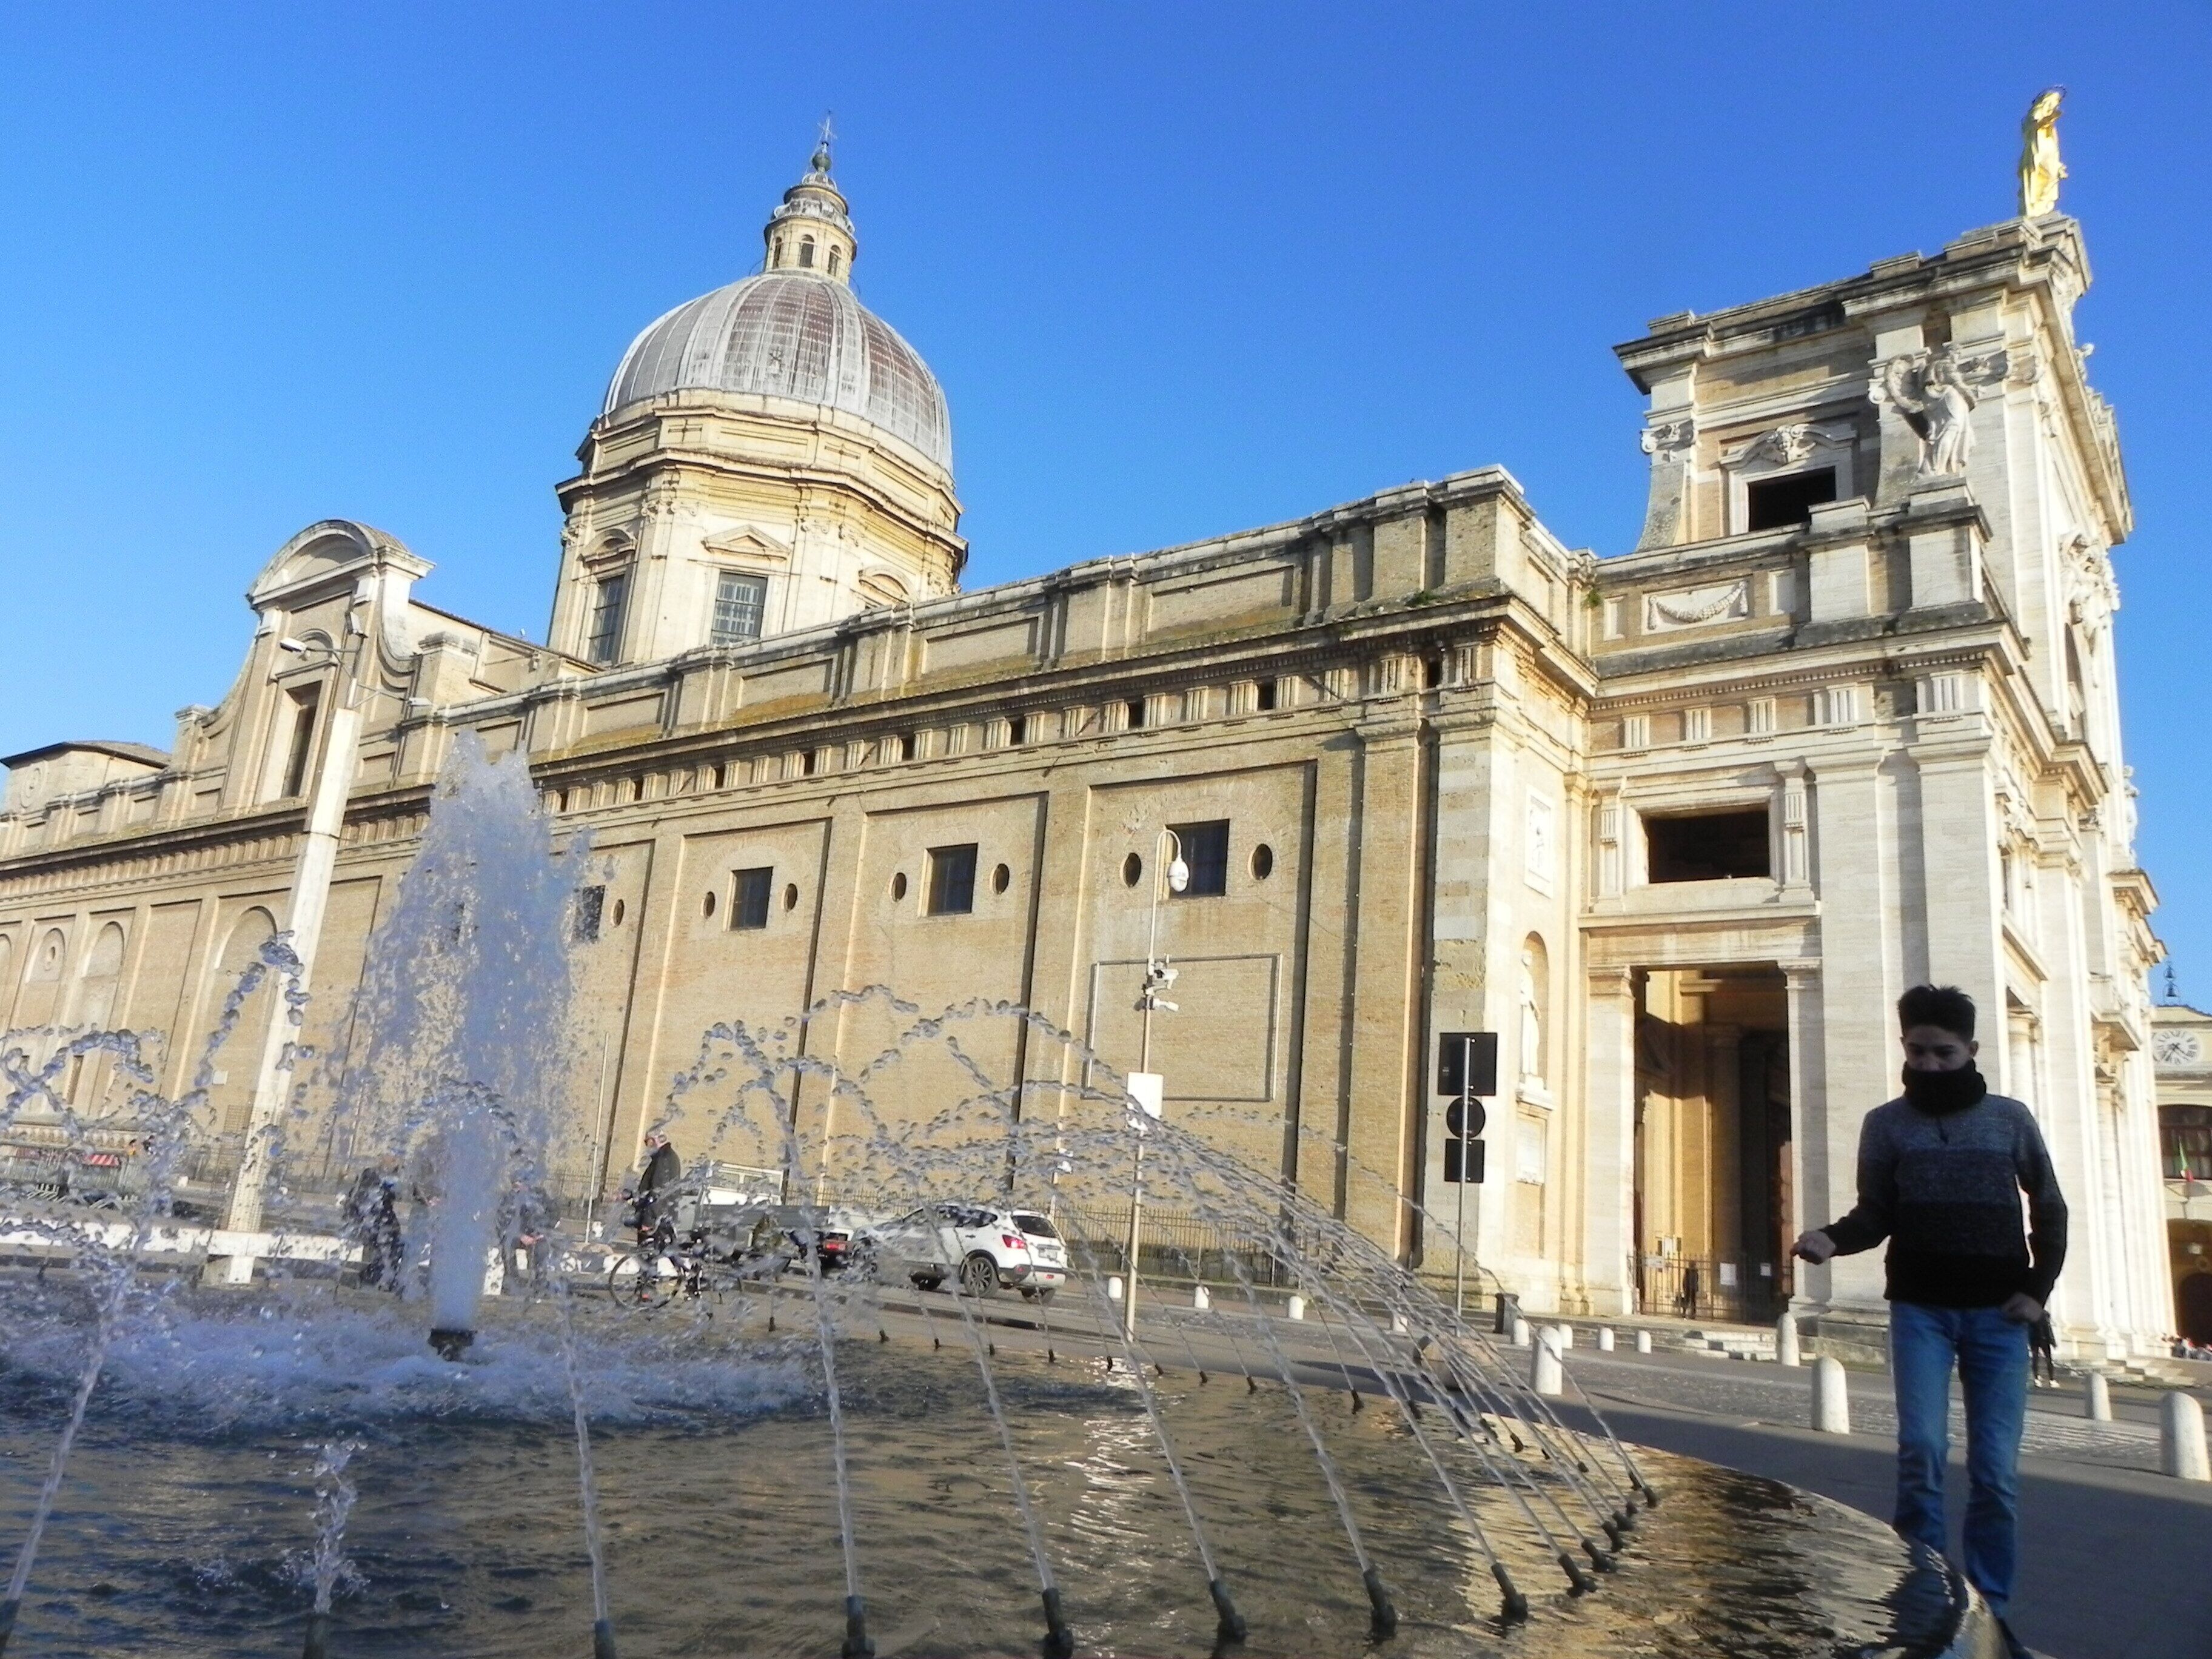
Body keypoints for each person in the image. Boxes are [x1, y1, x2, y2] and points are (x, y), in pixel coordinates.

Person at [1794, 985, 2065, 1653]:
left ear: (1971, 1049)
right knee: (1921, 1452)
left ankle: (1992, 1611)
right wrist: (1832, 1239)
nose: (1930, 1064)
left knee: (1995, 1472)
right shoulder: (1886, 1123)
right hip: (1920, 1308)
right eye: (1918, 1052)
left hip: (2000, 1314)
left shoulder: (2009, 1119)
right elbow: (1876, 1212)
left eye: (1944, 1053)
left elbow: (2050, 1207)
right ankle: (1925, 1603)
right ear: (1904, 1047)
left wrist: (2038, 1290)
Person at [341, 1155, 403, 1291]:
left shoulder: (391, 1177)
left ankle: (380, 1279)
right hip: (376, 1224)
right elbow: (362, 1200)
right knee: (389, 1251)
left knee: (393, 1251)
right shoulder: (372, 1175)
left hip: (384, 1223)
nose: (397, 1162)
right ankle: (369, 1278)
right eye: (393, 1159)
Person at [625, 1131, 682, 1250]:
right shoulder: (665, 1158)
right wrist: (627, 1195)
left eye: (648, 1142)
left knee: (649, 1254)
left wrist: (648, 1221)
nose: (647, 1146)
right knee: (658, 1255)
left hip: (657, 1221)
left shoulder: (664, 1159)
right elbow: (648, 1189)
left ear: (655, 1139)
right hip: (661, 1217)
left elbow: (658, 1192)